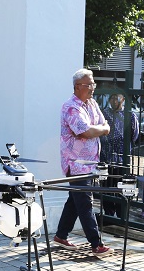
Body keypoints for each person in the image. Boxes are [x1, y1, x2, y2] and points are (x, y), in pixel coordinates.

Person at [53, 68, 112, 256]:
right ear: (78, 87)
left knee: (75, 200)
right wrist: (99, 129)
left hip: (89, 162)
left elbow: (106, 126)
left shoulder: (91, 104)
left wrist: (99, 129)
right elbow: (85, 131)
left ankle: (61, 235)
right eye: (89, 84)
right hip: (76, 162)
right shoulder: (71, 107)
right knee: (85, 202)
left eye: (93, 84)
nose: (93, 88)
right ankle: (96, 244)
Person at [100, 93, 139, 218]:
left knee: (122, 187)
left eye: (117, 98)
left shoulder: (130, 115)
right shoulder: (104, 114)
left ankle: (122, 215)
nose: (114, 101)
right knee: (107, 187)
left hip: (123, 159)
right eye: (111, 98)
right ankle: (109, 215)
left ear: (123, 99)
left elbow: (135, 135)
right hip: (106, 158)